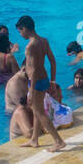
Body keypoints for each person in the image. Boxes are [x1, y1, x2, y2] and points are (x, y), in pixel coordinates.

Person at [15, 15, 66, 151]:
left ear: (25, 29)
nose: (20, 34)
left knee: (39, 112)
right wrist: (53, 81)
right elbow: (53, 61)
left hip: (35, 83)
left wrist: (30, 91)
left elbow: (34, 70)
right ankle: (34, 140)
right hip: (44, 80)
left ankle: (58, 141)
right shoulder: (44, 41)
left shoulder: (30, 46)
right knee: (37, 110)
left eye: (20, 31)